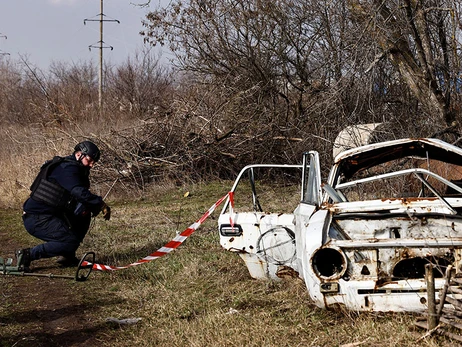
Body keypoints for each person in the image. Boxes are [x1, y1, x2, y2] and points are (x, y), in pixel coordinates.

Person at [17, 140, 111, 271]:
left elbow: (80, 199)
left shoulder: (75, 168)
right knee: (69, 241)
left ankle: (67, 255)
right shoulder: (67, 169)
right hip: (36, 218)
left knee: (84, 212)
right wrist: (100, 204)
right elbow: (78, 191)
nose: (91, 165)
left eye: (94, 162)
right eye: (89, 160)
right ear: (79, 154)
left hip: (51, 214)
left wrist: (93, 206)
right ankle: (27, 255)